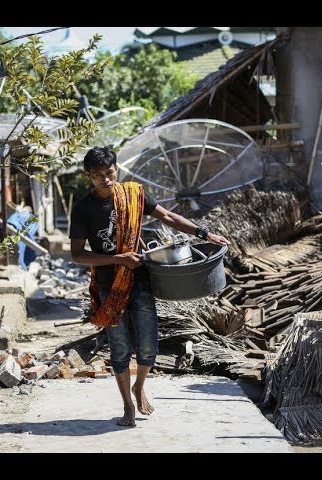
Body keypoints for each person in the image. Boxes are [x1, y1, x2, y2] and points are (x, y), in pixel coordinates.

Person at [69, 146, 231, 427]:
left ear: (116, 170)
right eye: (98, 175)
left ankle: (139, 385)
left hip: (140, 281)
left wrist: (204, 233)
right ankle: (127, 406)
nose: (105, 179)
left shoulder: (134, 195)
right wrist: (117, 258)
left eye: (109, 173)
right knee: (119, 347)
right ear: (88, 176)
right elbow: (77, 254)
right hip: (109, 286)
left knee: (148, 344)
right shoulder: (84, 208)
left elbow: (168, 217)